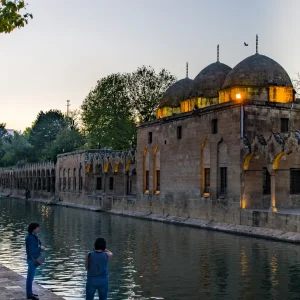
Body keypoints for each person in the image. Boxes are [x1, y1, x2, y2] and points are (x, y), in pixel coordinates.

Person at [25, 223, 46, 300]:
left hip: (32, 259)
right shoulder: (30, 238)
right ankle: (29, 294)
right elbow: (32, 250)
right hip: (32, 260)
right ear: (33, 229)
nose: (38, 229)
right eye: (37, 228)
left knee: (31, 277)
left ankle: (30, 293)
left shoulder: (32, 236)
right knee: (30, 278)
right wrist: (40, 248)